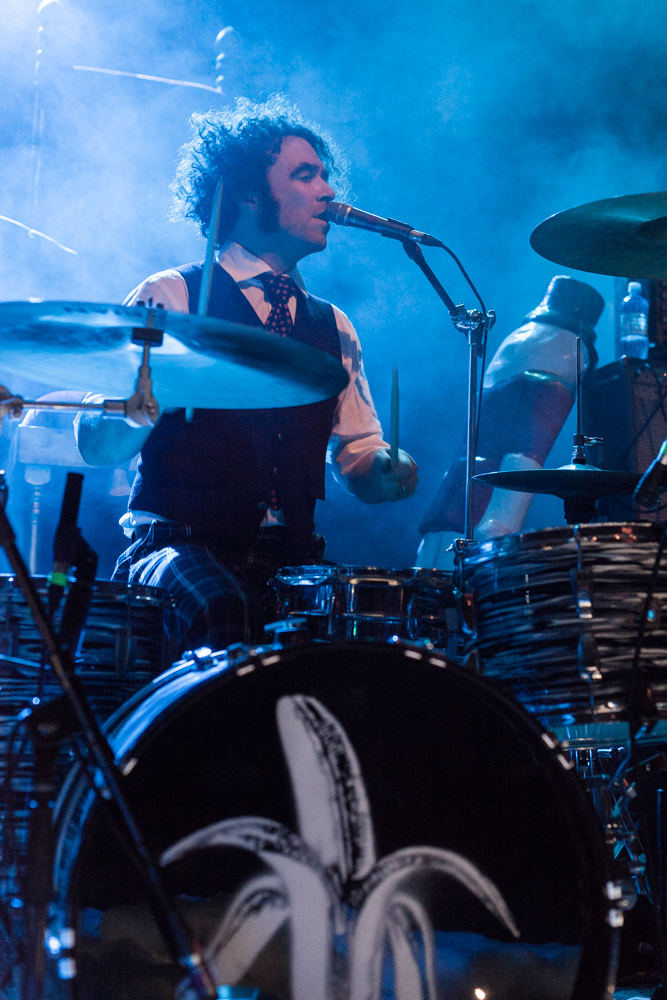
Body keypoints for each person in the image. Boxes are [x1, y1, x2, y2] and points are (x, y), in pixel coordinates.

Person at [76, 97, 417, 653]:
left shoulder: (333, 326)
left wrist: (388, 469)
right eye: (305, 175)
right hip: (177, 547)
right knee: (223, 608)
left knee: (365, 643)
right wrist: (141, 400)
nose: (327, 191)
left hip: (289, 558)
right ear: (249, 193)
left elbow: (358, 456)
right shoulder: (174, 296)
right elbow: (96, 446)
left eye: (325, 175)